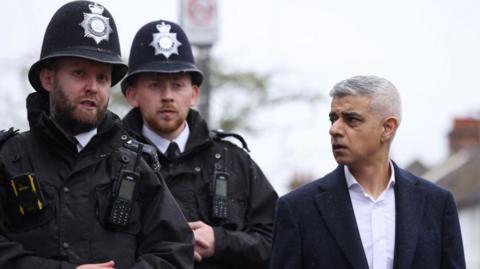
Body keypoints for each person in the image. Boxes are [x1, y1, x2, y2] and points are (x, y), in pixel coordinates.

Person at [0, 2, 193, 269]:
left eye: (102, 78)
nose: (92, 87)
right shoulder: (9, 159)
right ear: (48, 79)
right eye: (79, 73)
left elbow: (175, 251)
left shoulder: (137, 165)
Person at [121, 19, 278, 269]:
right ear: (132, 95)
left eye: (177, 85)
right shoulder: (110, 161)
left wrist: (222, 241)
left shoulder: (234, 160)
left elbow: (279, 240)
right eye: (155, 85)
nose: (168, 96)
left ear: (194, 94)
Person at [271, 75, 466, 269]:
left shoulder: (437, 204)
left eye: (351, 119)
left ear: (387, 128)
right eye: (333, 118)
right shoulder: (297, 209)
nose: (335, 129)